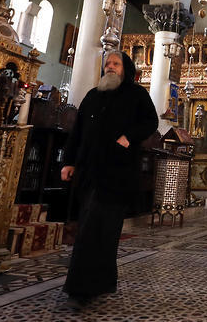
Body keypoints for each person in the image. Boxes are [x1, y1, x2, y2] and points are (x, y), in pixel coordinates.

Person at [60, 50, 158, 309]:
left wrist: (129, 137)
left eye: (115, 63)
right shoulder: (93, 96)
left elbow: (151, 122)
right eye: (107, 64)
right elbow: (77, 130)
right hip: (89, 171)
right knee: (92, 227)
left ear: (125, 68)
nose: (110, 67)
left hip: (118, 173)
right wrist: (68, 161)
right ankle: (95, 283)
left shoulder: (137, 95)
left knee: (103, 229)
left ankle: (83, 287)